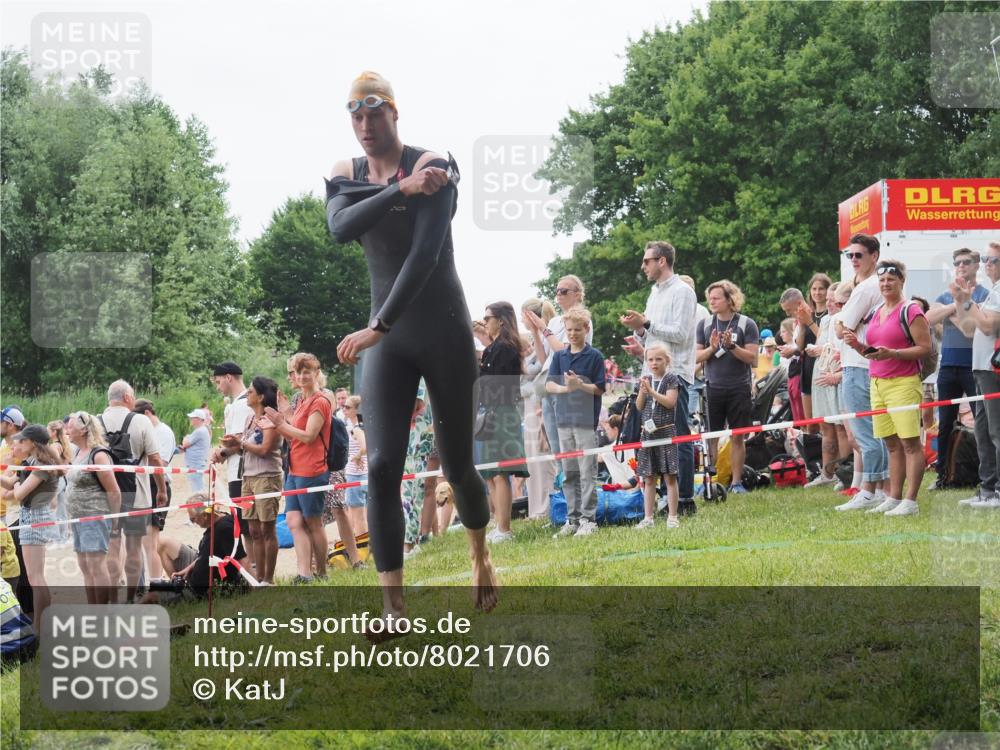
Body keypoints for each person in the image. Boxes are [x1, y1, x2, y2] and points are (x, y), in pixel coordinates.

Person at [325, 71, 495, 621]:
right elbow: (340, 227)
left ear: (395, 114)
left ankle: (480, 555)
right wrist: (398, 189)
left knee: (459, 467)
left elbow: (424, 256)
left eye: (375, 114)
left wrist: (380, 323)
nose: (366, 126)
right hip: (388, 340)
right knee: (380, 466)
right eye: (356, 115)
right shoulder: (345, 173)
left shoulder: (433, 165)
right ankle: (393, 605)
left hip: (441, 326)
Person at [843, 260, 931, 515]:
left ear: (901, 281)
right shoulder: (877, 311)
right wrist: (857, 346)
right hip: (877, 383)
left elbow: (925, 349)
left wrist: (893, 353)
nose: (885, 284)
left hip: (903, 383)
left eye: (891, 279)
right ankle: (894, 497)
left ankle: (910, 501)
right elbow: (874, 352)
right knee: (891, 444)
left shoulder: (911, 310)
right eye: (882, 280)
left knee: (910, 444)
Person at [620, 241, 698, 515]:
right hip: (650, 375)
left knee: (677, 437)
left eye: (647, 261)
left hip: (675, 374)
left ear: (662, 261)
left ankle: (685, 499)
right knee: (654, 437)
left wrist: (647, 323)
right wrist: (640, 334)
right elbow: (655, 335)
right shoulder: (654, 292)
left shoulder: (683, 292)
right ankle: (667, 497)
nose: (643, 266)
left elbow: (680, 334)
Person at [261, 352, 332, 583]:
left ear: (316, 374)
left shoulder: (320, 401)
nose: (301, 376)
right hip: (294, 468)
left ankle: (322, 572)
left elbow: (309, 436)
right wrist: (285, 417)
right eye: (298, 372)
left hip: (312, 469)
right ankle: (304, 573)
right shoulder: (300, 400)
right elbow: (295, 434)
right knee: (293, 520)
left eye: (306, 372)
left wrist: (281, 423)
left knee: (313, 522)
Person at [833, 234, 889, 511]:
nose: (854, 260)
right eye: (850, 255)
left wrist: (841, 322)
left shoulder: (867, 288)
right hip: (871, 364)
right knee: (876, 432)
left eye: (859, 255)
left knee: (865, 433)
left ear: (874, 255)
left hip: (858, 364)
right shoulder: (876, 285)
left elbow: (842, 327)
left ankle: (869, 489)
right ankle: (879, 488)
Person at [926, 248, 990, 490]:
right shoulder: (948, 294)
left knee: (982, 423)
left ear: (976, 266)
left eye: (966, 263)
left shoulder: (985, 294)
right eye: (957, 263)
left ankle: (985, 476)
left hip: (973, 366)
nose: (961, 267)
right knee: (945, 424)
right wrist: (958, 305)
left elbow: (970, 328)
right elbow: (929, 317)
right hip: (948, 366)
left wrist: (953, 310)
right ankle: (942, 475)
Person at [101, 380, 168, 603]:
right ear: (128, 398)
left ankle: (111, 599)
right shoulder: (140, 421)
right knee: (133, 549)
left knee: (112, 548)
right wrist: (161, 489)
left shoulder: (97, 421)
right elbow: (156, 459)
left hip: (106, 495)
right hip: (137, 493)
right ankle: (130, 598)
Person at [545, 306, 606, 537]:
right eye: (569, 330)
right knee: (569, 471)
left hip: (585, 421)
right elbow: (549, 384)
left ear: (586, 329)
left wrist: (580, 385)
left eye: (577, 330)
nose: (572, 334)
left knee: (586, 470)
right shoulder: (559, 356)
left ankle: (588, 519)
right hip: (563, 420)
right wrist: (565, 388)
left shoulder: (595, 356)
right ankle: (572, 518)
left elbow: (600, 388)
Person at [523, 275, 593, 475]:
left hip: (570, 388)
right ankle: (567, 497)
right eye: (557, 291)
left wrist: (543, 328)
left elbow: (565, 353)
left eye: (564, 291)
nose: (558, 295)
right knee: (557, 449)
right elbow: (546, 356)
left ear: (578, 294)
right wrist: (536, 331)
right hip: (550, 387)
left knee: (571, 446)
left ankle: (579, 499)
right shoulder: (554, 321)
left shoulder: (583, 319)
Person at [695, 280, 760, 494]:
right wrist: (713, 348)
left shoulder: (746, 324)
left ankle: (737, 482)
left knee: (737, 436)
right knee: (711, 436)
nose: (711, 302)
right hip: (712, 387)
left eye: (716, 298)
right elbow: (697, 356)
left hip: (739, 387)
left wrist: (733, 347)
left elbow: (753, 359)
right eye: (710, 298)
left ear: (729, 299)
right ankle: (712, 482)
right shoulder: (704, 325)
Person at [0, 425, 64, 633]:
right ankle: (41, 624)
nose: (18, 444)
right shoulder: (34, 463)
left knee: (36, 577)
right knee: (36, 576)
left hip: (35, 517)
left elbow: (18, 494)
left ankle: (39, 626)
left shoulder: (42, 466)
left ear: (32, 443)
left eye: (22, 441)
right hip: (32, 516)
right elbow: (11, 484)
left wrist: (15, 486)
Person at [477, 302, 529, 544]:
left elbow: (497, 384)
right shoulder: (492, 348)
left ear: (501, 320)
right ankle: (499, 525)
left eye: (488, 318)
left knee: (500, 472)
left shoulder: (505, 348)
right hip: (488, 411)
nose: (485, 322)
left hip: (502, 411)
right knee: (490, 473)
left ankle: (505, 529)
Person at [952, 241, 1000, 508]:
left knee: (996, 431)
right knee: (982, 431)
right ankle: (987, 488)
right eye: (986, 260)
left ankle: (997, 490)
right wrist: (962, 302)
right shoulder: (993, 291)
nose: (986, 265)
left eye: (991, 260)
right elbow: (969, 329)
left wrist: (968, 302)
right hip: (982, 368)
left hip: (993, 369)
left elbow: (988, 324)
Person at [144, 496, 247, 603]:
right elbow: (205, 555)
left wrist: (255, 587)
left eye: (193, 519)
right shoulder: (218, 522)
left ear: (205, 516)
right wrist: (186, 569)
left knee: (151, 595)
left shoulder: (224, 529)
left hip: (200, 591)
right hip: (195, 577)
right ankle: (177, 587)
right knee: (162, 544)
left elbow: (242, 559)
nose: (193, 522)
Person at [64, 412, 121, 604]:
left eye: (70, 427)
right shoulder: (76, 453)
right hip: (78, 518)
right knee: (85, 567)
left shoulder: (99, 455)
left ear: (84, 429)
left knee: (96, 566)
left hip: (95, 517)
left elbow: (114, 491)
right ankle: (93, 609)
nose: (67, 430)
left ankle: (102, 612)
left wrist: (114, 521)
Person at [232, 376, 283, 585]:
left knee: (267, 529)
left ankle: (268, 579)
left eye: (251, 391)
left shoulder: (271, 419)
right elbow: (245, 446)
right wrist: (228, 448)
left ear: (261, 397)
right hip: (248, 478)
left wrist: (241, 444)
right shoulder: (249, 419)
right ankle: (259, 577)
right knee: (253, 530)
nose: (247, 394)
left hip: (266, 477)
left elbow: (264, 450)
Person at [805, 282, 852, 487]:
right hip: (821, 373)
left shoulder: (843, 319)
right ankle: (827, 473)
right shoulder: (825, 320)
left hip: (836, 374)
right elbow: (825, 344)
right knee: (826, 427)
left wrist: (821, 350)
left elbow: (836, 347)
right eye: (830, 301)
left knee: (841, 427)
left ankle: (845, 472)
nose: (830, 304)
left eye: (834, 301)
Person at [209, 362, 255, 564]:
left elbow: (236, 441)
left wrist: (220, 453)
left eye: (218, 382)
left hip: (241, 472)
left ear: (229, 378)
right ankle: (256, 569)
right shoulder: (243, 402)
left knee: (247, 527)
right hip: (242, 469)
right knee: (248, 526)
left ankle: (255, 569)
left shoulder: (240, 404)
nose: (218, 387)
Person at [635, 344, 680, 529]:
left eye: (658, 359)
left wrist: (652, 392)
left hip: (666, 432)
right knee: (649, 477)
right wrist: (642, 391)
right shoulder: (646, 379)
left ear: (666, 361)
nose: (654, 363)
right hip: (648, 434)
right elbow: (639, 406)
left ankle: (673, 516)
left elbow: (670, 402)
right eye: (651, 359)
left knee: (669, 476)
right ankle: (648, 518)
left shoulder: (671, 379)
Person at [521, 298, 559, 519]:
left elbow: (542, 365)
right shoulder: (536, 339)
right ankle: (537, 507)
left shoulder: (550, 332)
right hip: (531, 402)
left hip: (539, 401)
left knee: (544, 456)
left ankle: (547, 506)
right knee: (533, 458)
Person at [132, 399, 176, 580]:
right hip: (142, 484)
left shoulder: (163, 432)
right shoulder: (144, 430)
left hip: (156, 484)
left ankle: (157, 583)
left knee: (151, 541)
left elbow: (160, 462)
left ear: (148, 413)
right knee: (141, 541)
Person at [797, 273, 832, 431]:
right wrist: (803, 324)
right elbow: (799, 346)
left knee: (827, 424)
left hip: (825, 369)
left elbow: (825, 339)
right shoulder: (807, 313)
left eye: (821, 289)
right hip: (807, 368)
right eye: (814, 289)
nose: (817, 293)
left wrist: (809, 322)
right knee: (810, 424)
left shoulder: (831, 315)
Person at [342, 395, 368, 535]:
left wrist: (358, 456)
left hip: (355, 475)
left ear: (357, 410)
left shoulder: (356, 428)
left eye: (347, 407)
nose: (344, 409)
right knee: (363, 516)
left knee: (358, 517)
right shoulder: (363, 425)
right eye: (343, 406)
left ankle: (362, 546)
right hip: (364, 473)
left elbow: (365, 446)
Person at [46, 419, 73, 543]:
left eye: (48, 430)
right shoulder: (63, 444)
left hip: (57, 478)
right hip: (63, 479)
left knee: (50, 507)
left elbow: (53, 462)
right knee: (61, 508)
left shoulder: (54, 446)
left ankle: (54, 536)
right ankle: (62, 536)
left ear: (54, 432)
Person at [179, 409, 211, 494]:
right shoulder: (201, 430)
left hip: (195, 463)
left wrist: (186, 438)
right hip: (196, 463)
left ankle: (201, 506)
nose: (191, 420)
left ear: (198, 419)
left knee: (198, 489)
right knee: (199, 487)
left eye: (192, 418)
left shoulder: (199, 431)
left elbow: (185, 444)